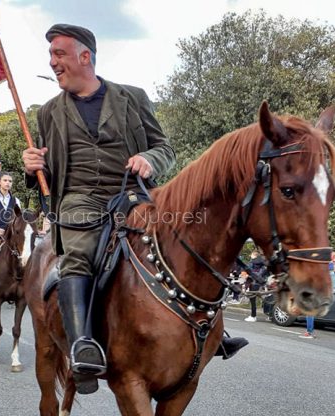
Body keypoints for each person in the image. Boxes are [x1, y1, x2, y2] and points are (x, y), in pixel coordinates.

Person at [23, 24, 247, 393]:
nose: (52, 62)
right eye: (51, 56)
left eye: (59, 54)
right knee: (79, 255)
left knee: (184, 240)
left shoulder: (133, 98)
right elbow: (48, 173)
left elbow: (165, 149)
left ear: (85, 57)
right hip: (80, 200)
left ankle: (212, 331)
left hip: (133, 193)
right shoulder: (48, 112)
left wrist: (148, 159)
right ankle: (82, 347)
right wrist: (34, 167)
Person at [244, 251, 267, 322]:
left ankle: (253, 316)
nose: (250, 256)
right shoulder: (262, 263)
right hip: (260, 283)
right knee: (265, 299)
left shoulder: (253, 262)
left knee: (252, 300)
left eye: (251, 255)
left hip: (253, 283)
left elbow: (250, 272)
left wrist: (248, 276)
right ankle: (269, 314)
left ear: (254, 255)